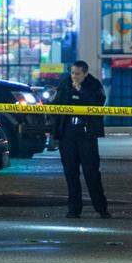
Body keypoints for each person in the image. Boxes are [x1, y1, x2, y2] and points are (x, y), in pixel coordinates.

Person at [52, 61, 111, 219]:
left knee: (91, 173)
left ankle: (101, 208)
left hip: (86, 134)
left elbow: (98, 103)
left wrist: (81, 91)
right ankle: (73, 209)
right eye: (72, 73)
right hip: (68, 135)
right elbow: (56, 104)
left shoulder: (94, 85)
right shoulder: (65, 84)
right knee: (71, 173)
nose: (74, 76)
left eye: (77, 73)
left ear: (85, 73)